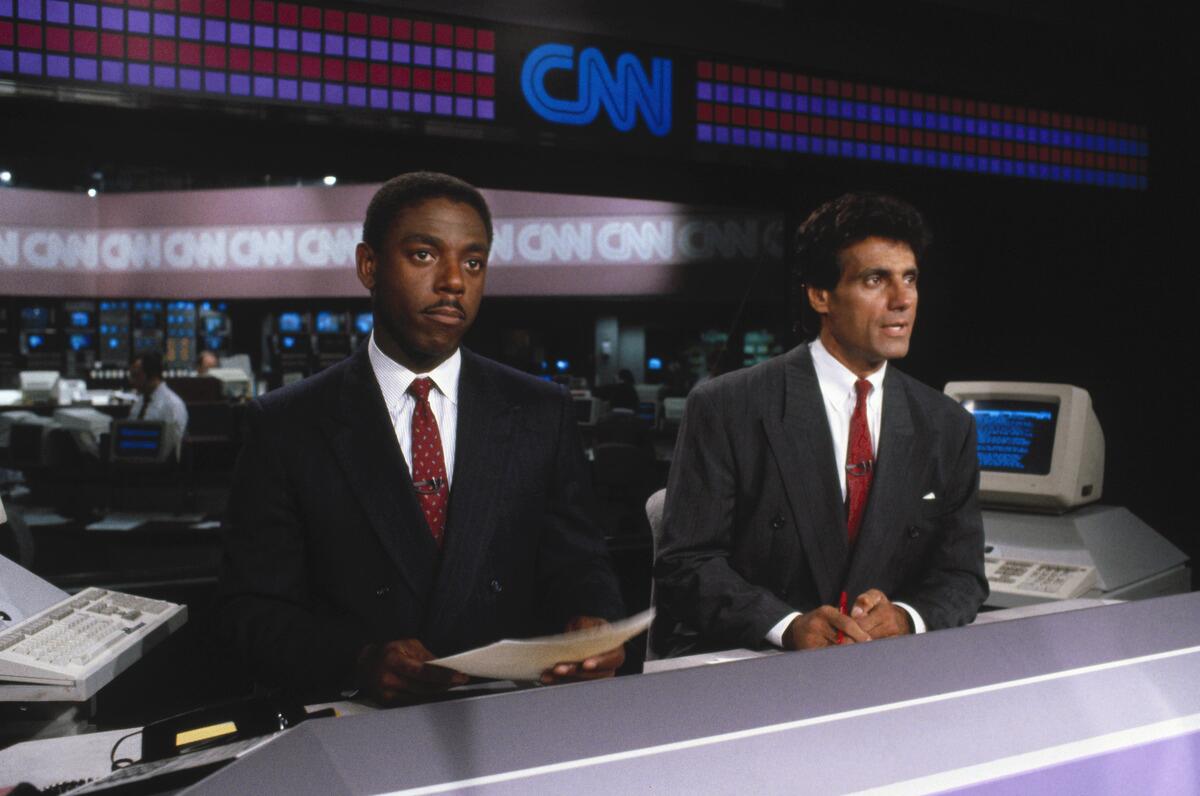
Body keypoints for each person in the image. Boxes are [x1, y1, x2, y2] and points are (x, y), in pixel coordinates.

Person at [218, 172, 626, 702]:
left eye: (473, 262)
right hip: (357, 726)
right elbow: (249, 611)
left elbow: (580, 564)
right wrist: (359, 660)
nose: (454, 281)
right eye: (424, 256)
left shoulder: (539, 412)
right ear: (369, 266)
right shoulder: (286, 424)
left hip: (508, 714)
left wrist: (594, 621)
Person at [652, 192, 986, 658]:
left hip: (885, 666)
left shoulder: (947, 424)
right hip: (754, 664)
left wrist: (908, 617)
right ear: (820, 295)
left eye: (909, 278)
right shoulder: (727, 406)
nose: (902, 299)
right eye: (876, 280)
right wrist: (786, 626)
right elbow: (687, 565)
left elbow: (963, 575)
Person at [127, 350, 188, 459]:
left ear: (152, 375)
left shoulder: (172, 405)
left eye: (135, 375)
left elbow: (170, 451)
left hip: (158, 469)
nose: (131, 381)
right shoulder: (140, 401)